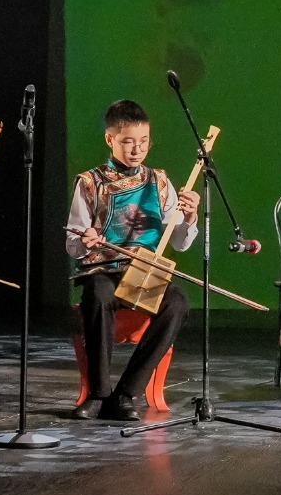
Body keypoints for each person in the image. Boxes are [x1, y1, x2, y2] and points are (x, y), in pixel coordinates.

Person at [66, 100, 198, 421]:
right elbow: (72, 244)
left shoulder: (159, 182)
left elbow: (178, 242)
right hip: (103, 271)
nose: (137, 149)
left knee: (178, 301)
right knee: (98, 293)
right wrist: (86, 239)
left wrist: (190, 217)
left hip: (144, 273)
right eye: (128, 142)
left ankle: (126, 393)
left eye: (144, 141)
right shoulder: (90, 183)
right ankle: (99, 394)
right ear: (110, 139)